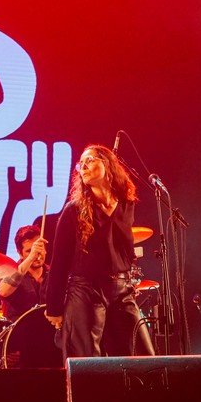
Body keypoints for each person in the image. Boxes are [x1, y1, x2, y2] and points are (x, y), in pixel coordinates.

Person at [45, 144, 154, 358]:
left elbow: (124, 247)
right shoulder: (74, 209)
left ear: (107, 164)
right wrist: (54, 307)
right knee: (87, 360)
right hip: (86, 290)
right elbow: (59, 261)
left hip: (121, 289)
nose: (83, 166)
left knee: (143, 356)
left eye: (90, 160)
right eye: (80, 164)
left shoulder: (126, 204)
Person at [0, 224, 49, 321]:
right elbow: (3, 291)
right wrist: (31, 258)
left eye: (40, 248)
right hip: (18, 329)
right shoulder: (9, 272)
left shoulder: (53, 273)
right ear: (20, 253)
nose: (36, 254)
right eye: (29, 251)